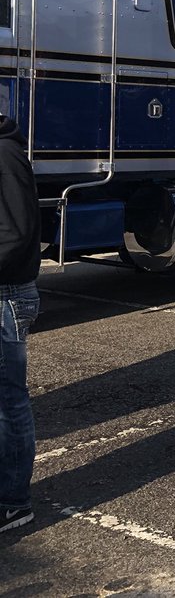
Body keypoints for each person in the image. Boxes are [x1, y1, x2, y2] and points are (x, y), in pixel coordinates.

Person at [0, 115, 41, 534]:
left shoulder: (5, 156)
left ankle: (13, 503)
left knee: (8, 403)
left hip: (5, 297)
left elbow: (14, 235)